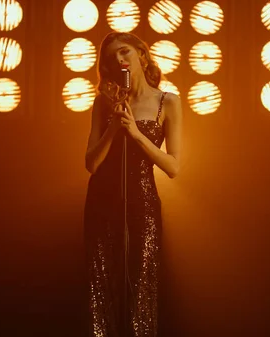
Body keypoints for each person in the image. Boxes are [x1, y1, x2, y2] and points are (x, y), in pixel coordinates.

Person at [83, 31, 182, 337]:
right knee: (102, 287)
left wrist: (137, 135)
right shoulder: (104, 103)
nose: (120, 60)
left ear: (141, 54)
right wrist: (114, 127)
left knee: (141, 287)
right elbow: (91, 163)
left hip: (143, 203)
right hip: (102, 203)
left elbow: (173, 167)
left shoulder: (168, 102)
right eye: (112, 58)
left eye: (124, 52)